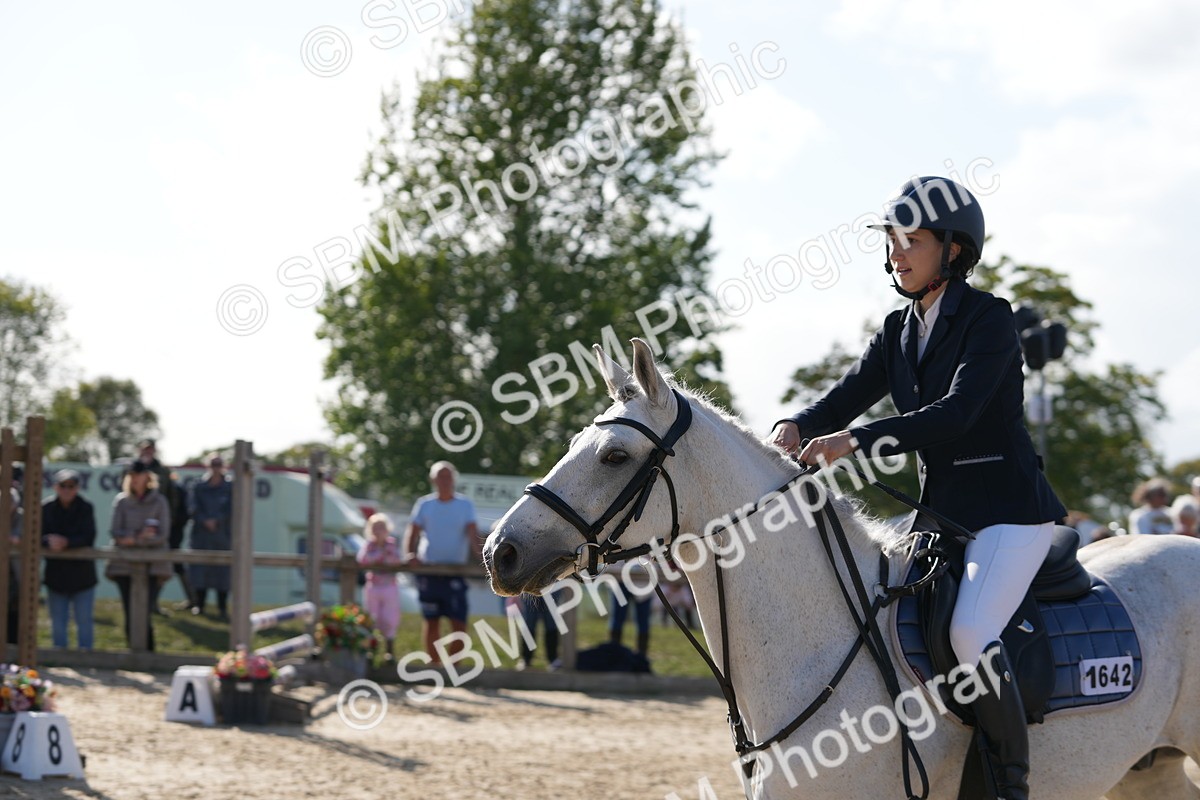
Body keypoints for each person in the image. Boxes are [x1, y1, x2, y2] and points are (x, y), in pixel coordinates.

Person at [770, 177, 1065, 800]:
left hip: (1007, 517)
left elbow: (956, 414)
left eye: (914, 240)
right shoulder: (898, 329)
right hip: (940, 518)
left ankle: (1010, 780)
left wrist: (855, 441)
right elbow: (845, 395)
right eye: (893, 240)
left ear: (953, 251)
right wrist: (796, 425)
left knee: (969, 634)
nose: (897, 252)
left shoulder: (990, 319)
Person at [403, 461, 480, 664]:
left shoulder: (465, 505)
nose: (444, 480)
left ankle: (454, 667)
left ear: (454, 479)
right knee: (431, 622)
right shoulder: (424, 504)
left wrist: (483, 558)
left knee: (459, 623)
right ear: (433, 480)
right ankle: (435, 666)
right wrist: (410, 553)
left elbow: (473, 535)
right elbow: (412, 532)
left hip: (455, 572)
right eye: (440, 476)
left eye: (448, 476)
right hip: (429, 571)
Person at [106, 461, 171, 651]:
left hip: (153, 565)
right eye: (132, 474)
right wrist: (138, 537)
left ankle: (148, 652)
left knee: (145, 610)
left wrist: (133, 539)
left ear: (147, 476)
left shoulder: (160, 501)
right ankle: (133, 651)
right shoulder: (122, 501)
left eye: (139, 474)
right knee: (129, 610)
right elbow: (115, 532)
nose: (135, 478)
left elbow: (162, 534)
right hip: (124, 565)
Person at [41, 469, 98, 649]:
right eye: (63, 485)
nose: (67, 489)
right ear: (56, 487)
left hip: (82, 576)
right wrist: (48, 541)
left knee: (84, 621)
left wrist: (66, 542)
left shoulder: (85, 507)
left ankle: (86, 659)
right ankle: (59, 659)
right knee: (58, 622)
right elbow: (37, 535)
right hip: (56, 576)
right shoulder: (46, 508)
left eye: (71, 486)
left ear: (77, 488)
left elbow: (88, 536)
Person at [136, 438, 192, 614]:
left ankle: (154, 603)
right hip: (139, 526)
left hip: (160, 526)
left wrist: (170, 523)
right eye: (145, 449)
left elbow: (171, 498)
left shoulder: (163, 471)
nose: (148, 452)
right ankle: (144, 603)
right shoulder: (134, 468)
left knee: (165, 565)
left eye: (150, 449)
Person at [188, 454, 233, 620]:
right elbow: (192, 507)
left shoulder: (230, 487)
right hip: (201, 536)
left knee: (223, 573)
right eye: (213, 464)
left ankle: (222, 607)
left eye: (219, 464)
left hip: (222, 537)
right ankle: (199, 605)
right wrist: (204, 520)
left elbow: (233, 509)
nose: (216, 467)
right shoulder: (198, 486)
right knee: (200, 571)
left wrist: (218, 521)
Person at [357, 513, 402, 658]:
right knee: (371, 617)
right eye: (375, 528)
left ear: (387, 530)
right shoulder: (369, 545)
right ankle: (371, 649)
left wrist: (378, 559)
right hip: (373, 586)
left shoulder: (391, 545)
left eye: (381, 528)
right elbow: (363, 560)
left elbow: (395, 560)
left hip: (389, 586)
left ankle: (389, 651)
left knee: (389, 618)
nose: (378, 531)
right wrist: (379, 558)